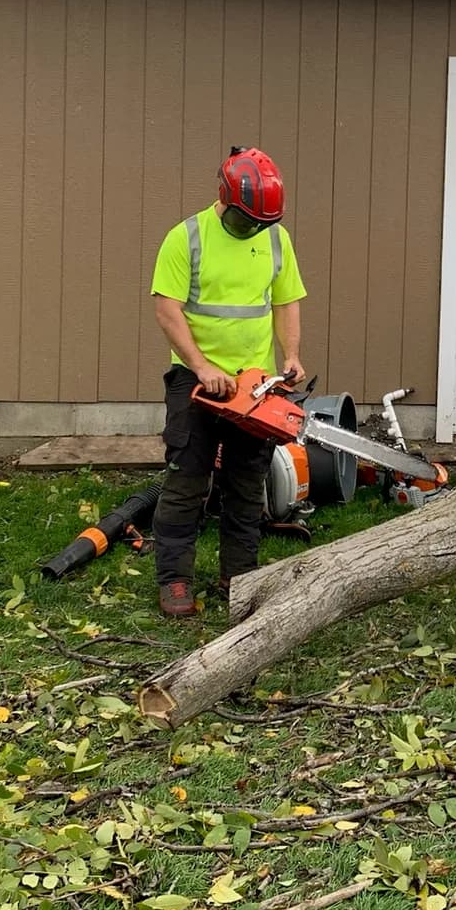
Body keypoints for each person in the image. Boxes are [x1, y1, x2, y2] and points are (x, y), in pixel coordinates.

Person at [147, 147, 307, 617]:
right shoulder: (187, 238)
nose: (254, 229)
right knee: (186, 482)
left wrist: (291, 356)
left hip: (254, 386)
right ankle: (175, 579)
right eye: (246, 222)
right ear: (226, 200)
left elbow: (286, 301)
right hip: (195, 382)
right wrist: (201, 366)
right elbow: (166, 310)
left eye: (262, 222)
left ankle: (240, 578)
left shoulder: (276, 240)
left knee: (246, 484)